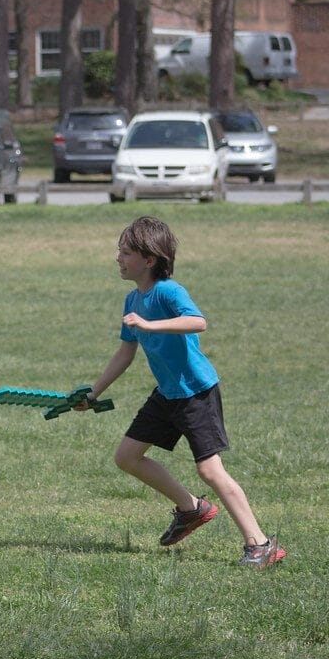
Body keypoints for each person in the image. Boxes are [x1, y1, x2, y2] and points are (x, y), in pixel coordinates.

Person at [76, 216, 285, 569]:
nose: (118, 258)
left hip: (196, 392)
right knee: (127, 457)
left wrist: (149, 324)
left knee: (210, 470)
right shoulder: (132, 300)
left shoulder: (169, 292)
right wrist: (93, 393)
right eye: (119, 251)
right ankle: (192, 509)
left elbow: (197, 321)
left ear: (149, 260)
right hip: (167, 393)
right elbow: (126, 353)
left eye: (125, 252)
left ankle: (261, 544)